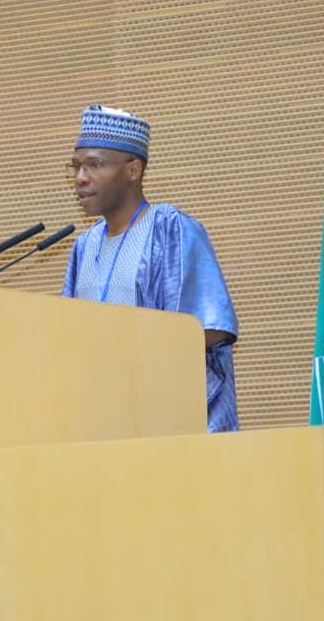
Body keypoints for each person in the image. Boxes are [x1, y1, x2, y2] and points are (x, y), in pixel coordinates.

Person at [61, 104, 240, 431]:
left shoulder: (171, 230)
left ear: (133, 170)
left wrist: (132, 356)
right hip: (97, 422)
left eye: (95, 165)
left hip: (163, 420)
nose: (80, 179)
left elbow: (211, 328)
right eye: (76, 167)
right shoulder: (83, 246)